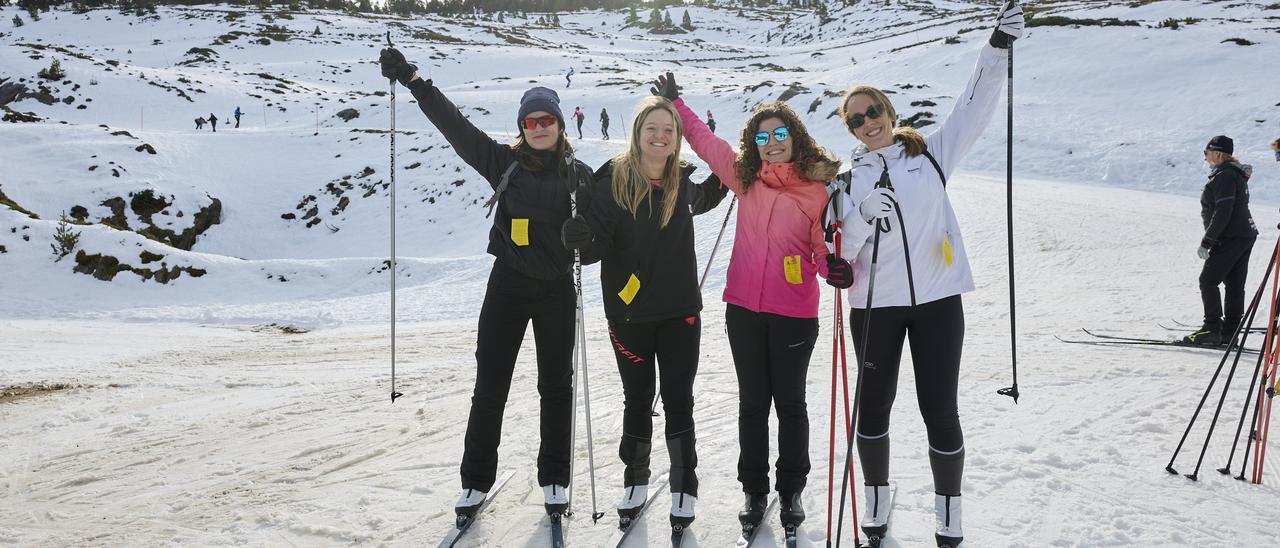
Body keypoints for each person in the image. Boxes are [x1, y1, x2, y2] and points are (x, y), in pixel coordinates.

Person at [827, 2, 1024, 546]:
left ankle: (948, 506)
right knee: (874, 405)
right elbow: (837, 249)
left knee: (939, 405)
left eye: (873, 112)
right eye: (856, 120)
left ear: (889, 111)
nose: (868, 124)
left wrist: (996, 49)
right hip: (874, 307)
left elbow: (973, 106)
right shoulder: (846, 180)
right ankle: (876, 494)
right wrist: (863, 217)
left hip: (938, 301)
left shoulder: (932, 156)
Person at [379, 47, 593, 520]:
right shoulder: (502, 164)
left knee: (556, 387)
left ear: (559, 125)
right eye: (530, 121)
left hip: (558, 290)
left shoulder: (579, 176)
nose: (539, 127)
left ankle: (555, 478)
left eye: (547, 121)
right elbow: (456, 128)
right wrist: (415, 81)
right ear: (522, 127)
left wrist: (586, 236)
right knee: (490, 383)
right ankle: (475, 481)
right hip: (508, 288)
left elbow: (602, 237)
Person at [665, 73, 847, 535]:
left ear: (795, 137)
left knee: (790, 405)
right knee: (752, 404)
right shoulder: (744, 178)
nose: (771, 143)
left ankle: (791, 490)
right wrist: (677, 104)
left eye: (779, 134)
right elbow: (706, 144)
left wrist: (834, 271)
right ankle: (754, 489)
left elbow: (821, 250)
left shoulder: (815, 190)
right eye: (762, 137)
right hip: (743, 311)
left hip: (794, 316)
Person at [562, 95, 728, 532]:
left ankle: (683, 484)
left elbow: (709, 195)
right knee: (637, 399)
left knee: (678, 401)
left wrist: (733, 170)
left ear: (676, 140)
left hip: (680, 315)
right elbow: (595, 247)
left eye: (668, 130)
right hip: (629, 317)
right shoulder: (612, 182)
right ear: (637, 133)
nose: (660, 136)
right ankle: (634, 478)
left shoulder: (682, 183)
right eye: (652, 128)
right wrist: (578, 237)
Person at [1183, 135, 1259, 346]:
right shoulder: (1231, 174)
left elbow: (1223, 211)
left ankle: (1212, 330)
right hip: (1243, 234)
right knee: (1234, 284)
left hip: (1231, 236)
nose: (1205, 158)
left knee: (1208, 280)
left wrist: (1207, 241)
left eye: (1206, 153)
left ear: (1217, 153)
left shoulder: (1225, 176)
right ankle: (1230, 333)